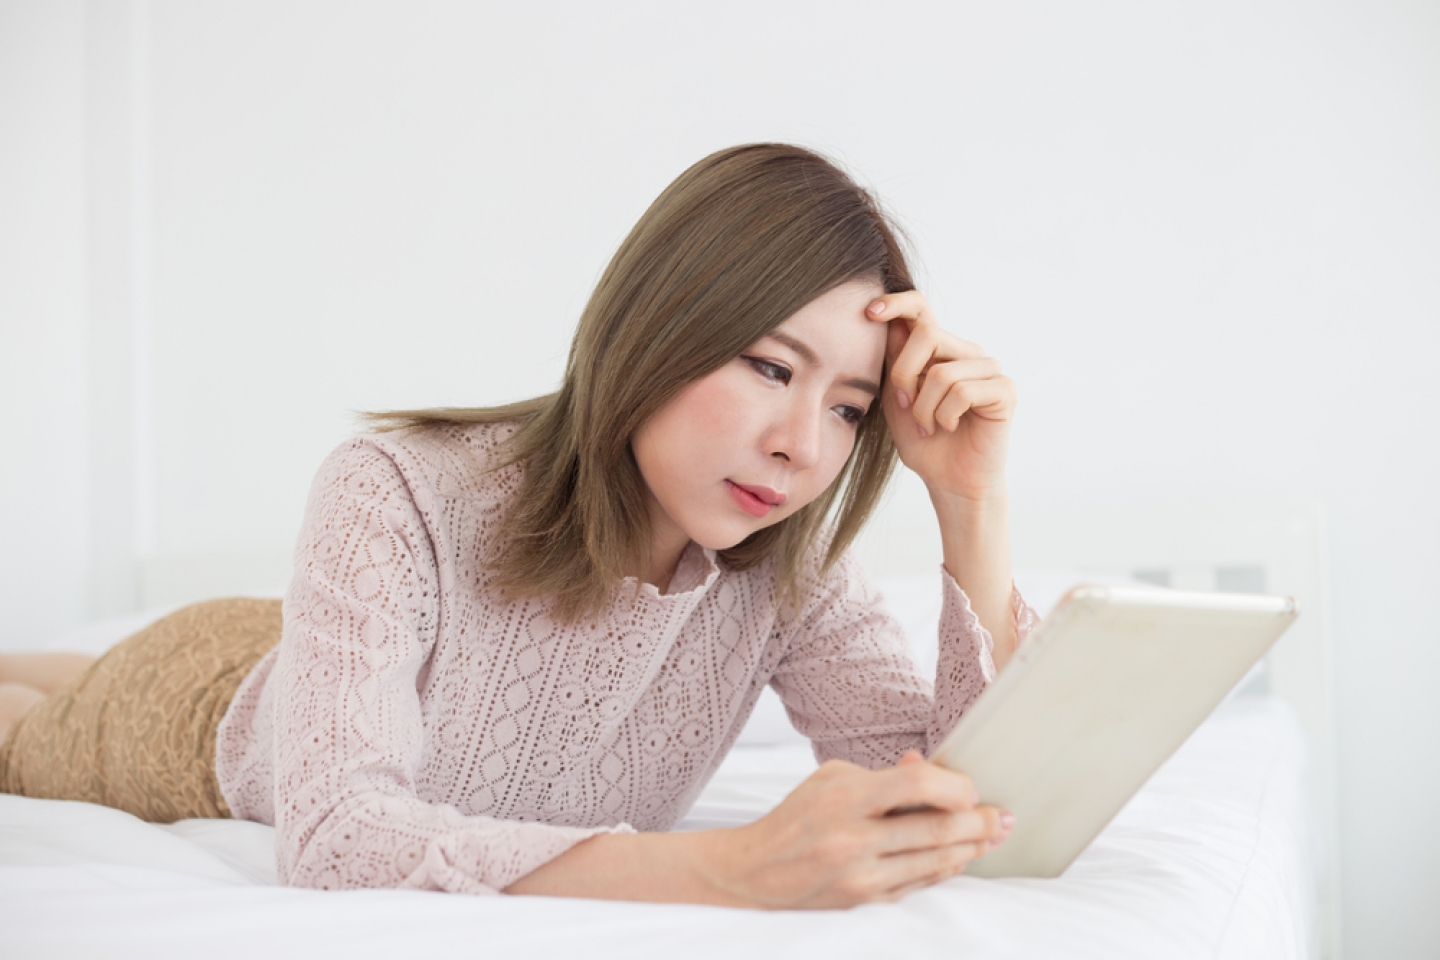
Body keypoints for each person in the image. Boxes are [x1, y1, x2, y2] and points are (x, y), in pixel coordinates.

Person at [0, 142, 1035, 909]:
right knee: (23, 719)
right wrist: (728, 867)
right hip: (193, 706)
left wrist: (969, 500)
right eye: (770, 367)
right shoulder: (397, 487)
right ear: (660, 324)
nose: (804, 446)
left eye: (851, 407)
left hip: (310, 657)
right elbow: (335, 836)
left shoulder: (792, 575)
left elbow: (952, 804)